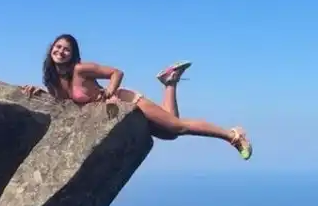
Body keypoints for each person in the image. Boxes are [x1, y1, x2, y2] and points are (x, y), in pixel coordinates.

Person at [22, 34, 252, 159]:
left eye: (66, 49)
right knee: (170, 133)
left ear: (73, 55)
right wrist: (39, 92)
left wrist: (110, 91)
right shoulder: (53, 81)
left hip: (127, 102)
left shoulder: (81, 70)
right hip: (115, 114)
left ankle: (232, 135)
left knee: (177, 126)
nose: (61, 51)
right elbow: (62, 104)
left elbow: (116, 72)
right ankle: (170, 82)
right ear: (51, 49)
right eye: (58, 47)